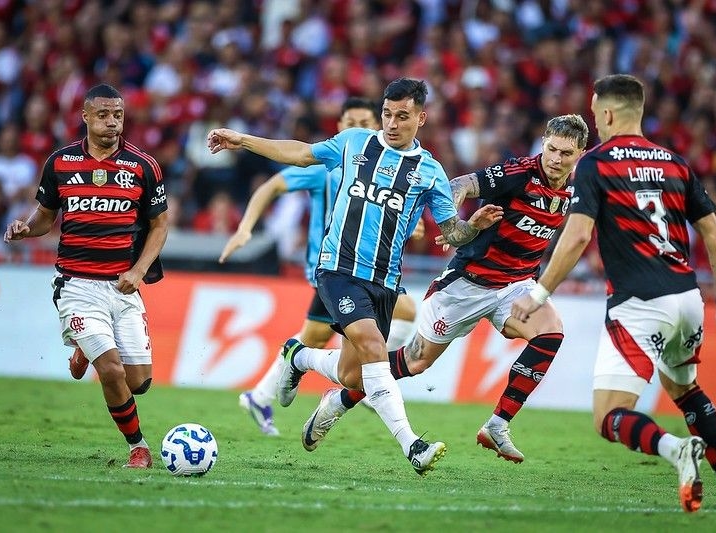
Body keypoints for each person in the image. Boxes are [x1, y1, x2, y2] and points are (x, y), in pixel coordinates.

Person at [208, 78, 502, 475]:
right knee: (374, 348)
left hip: (384, 282)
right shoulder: (354, 143)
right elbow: (300, 154)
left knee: (353, 375)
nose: (392, 123)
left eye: (402, 116)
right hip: (338, 269)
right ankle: (413, 445)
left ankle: (299, 357)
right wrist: (243, 139)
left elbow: (451, 233)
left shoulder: (430, 171)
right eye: (387, 114)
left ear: (421, 118)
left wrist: (474, 226)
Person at [511, 74, 716, 513]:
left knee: (609, 416)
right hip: (688, 298)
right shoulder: (674, 162)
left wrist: (540, 293)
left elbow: (577, 236)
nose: (595, 121)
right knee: (686, 390)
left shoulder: (596, 163)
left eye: (594, 113)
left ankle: (676, 449)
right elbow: (715, 236)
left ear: (606, 113)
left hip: (640, 304)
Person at [289, 114, 590, 461]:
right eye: (552, 149)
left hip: (515, 285)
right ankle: (339, 396)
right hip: (467, 284)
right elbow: (461, 183)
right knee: (415, 362)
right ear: (543, 143)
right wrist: (453, 220)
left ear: (580, 154)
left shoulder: (577, 188)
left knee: (551, 333)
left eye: (566, 153)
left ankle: (497, 424)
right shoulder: (518, 173)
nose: (556, 159)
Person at [219, 97, 421, 437]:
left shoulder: (391, 169)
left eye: (364, 123)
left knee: (314, 338)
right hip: (332, 267)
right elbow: (273, 184)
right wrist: (245, 227)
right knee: (340, 333)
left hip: (369, 269)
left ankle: (261, 395)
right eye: (351, 123)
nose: (357, 128)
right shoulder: (327, 164)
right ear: (340, 127)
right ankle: (371, 380)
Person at [4, 83, 169, 469]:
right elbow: (45, 217)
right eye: (103, 115)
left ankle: (84, 348)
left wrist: (139, 270)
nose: (112, 122)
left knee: (139, 382)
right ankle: (139, 447)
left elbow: (160, 225)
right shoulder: (60, 163)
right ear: (85, 116)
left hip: (122, 285)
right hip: (76, 285)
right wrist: (26, 228)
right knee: (110, 370)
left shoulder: (143, 166)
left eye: (118, 115)